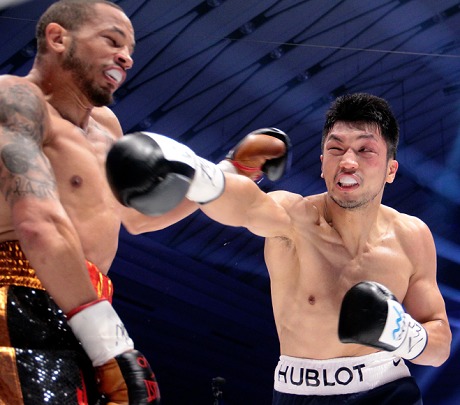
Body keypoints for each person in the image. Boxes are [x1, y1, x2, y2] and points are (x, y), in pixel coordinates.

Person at [0, 0, 289, 403]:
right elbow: (39, 224)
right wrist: (109, 342)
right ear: (58, 38)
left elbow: (138, 218)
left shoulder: (105, 127)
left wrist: (230, 170)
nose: (126, 57)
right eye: (112, 40)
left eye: (130, 49)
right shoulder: (15, 98)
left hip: (86, 305)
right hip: (19, 295)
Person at [110, 93, 452, 404]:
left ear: (391, 169)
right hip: (300, 395)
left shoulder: (411, 235)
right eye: (336, 149)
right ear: (322, 163)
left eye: (365, 150)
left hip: (389, 391)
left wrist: (400, 332)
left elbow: (439, 347)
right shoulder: (293, 218)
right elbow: (246, 205)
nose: (348, 161)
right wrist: (198, 173)